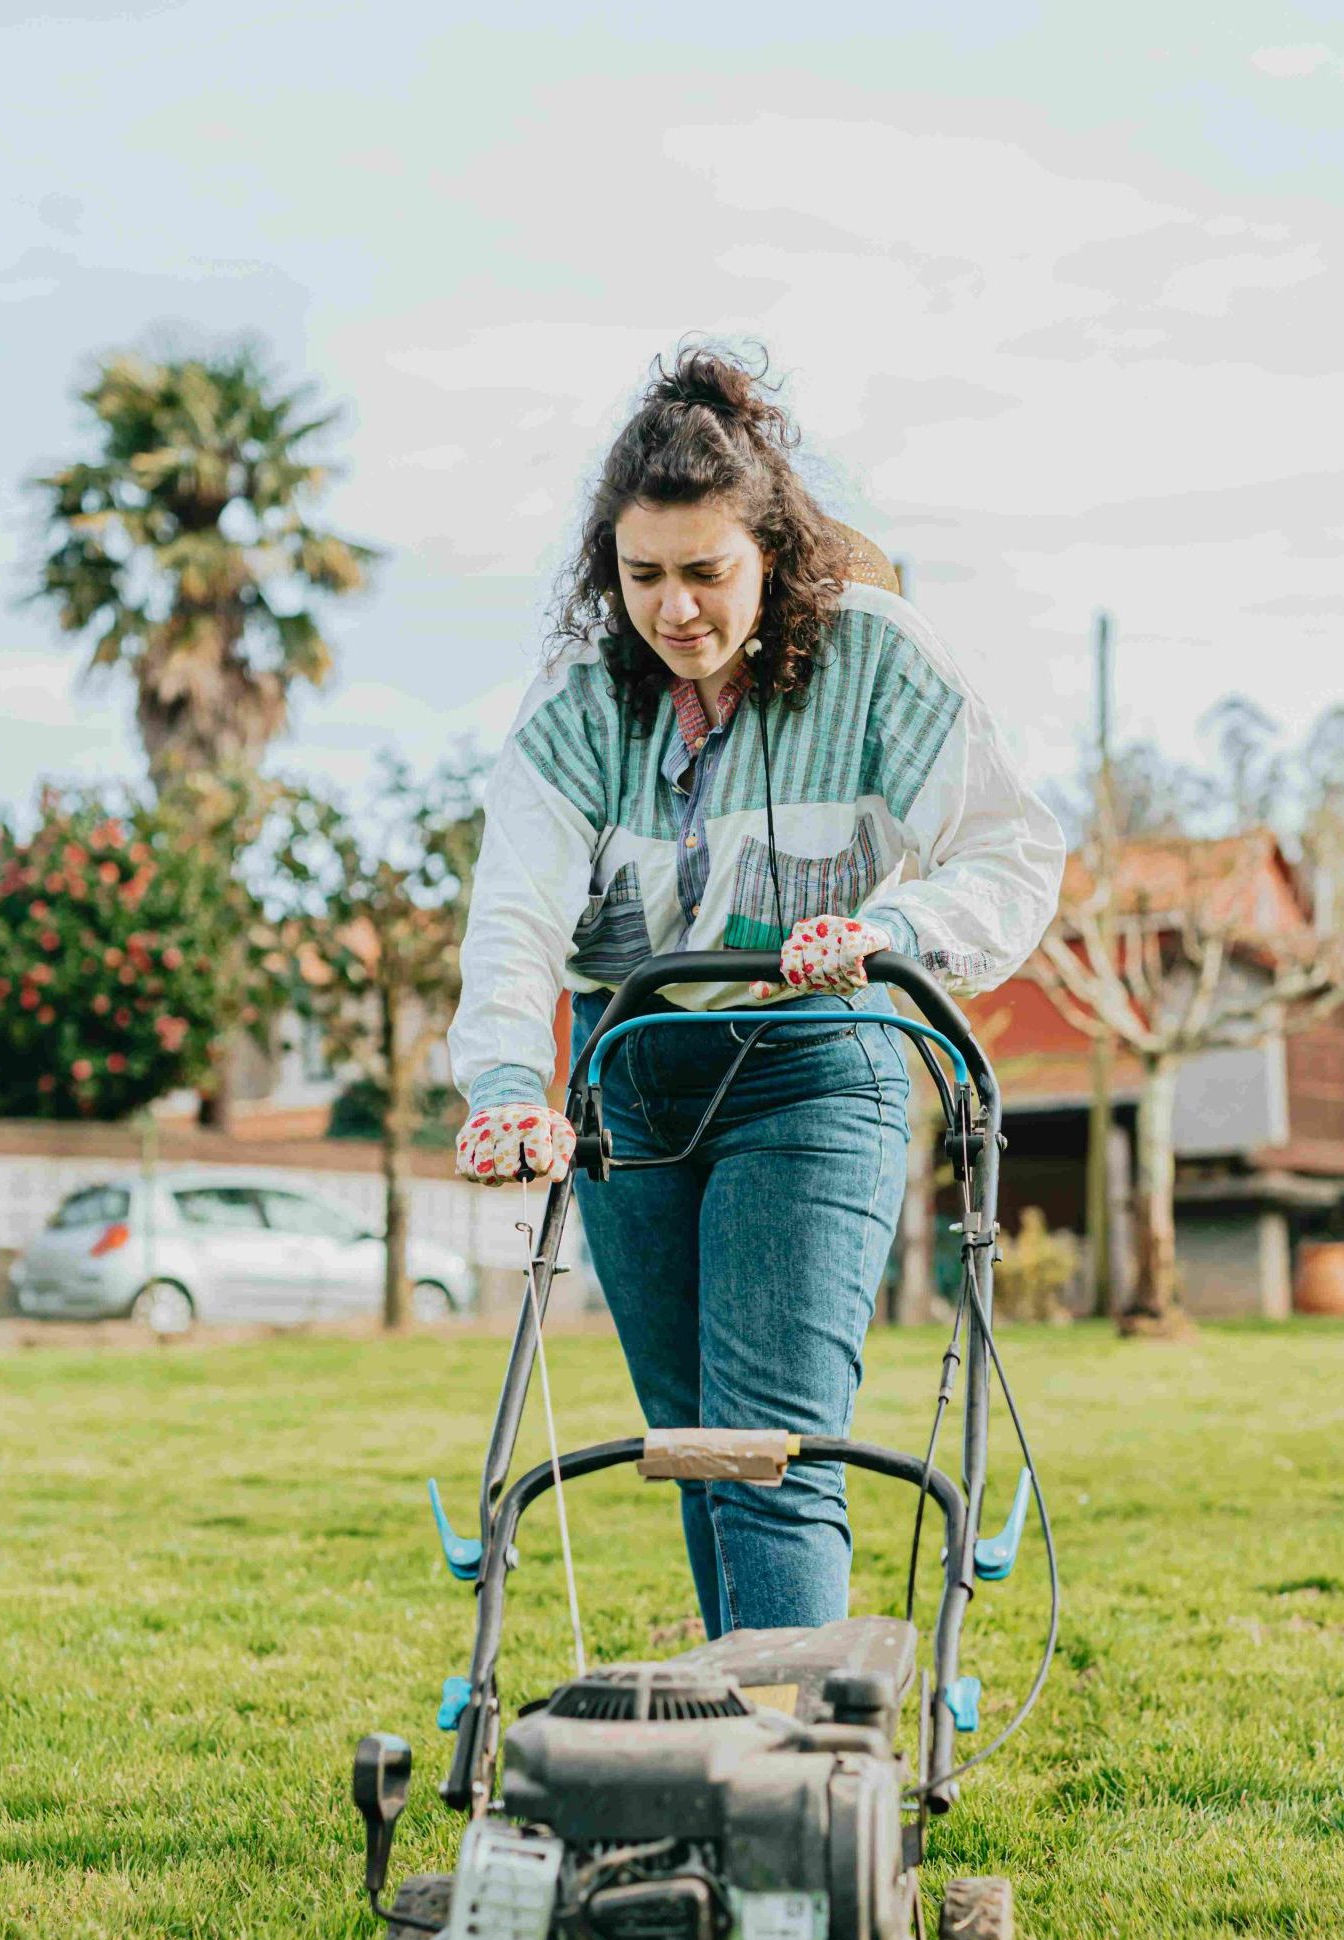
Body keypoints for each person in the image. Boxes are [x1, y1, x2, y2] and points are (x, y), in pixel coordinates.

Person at [449, 347, 1063, 1641]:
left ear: (769, 554)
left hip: (809, 1061)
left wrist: (892, 929)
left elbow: (1012, 853)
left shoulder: (875, 663)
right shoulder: (575, 707)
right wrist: (510, 1085)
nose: (673, 610)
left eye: (705, 573)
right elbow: (512, 916)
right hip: (634, 1080)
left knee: (767, 1446)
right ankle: (735, 1746)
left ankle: (786, 1788)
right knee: (689, 1448)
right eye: (642, 577)